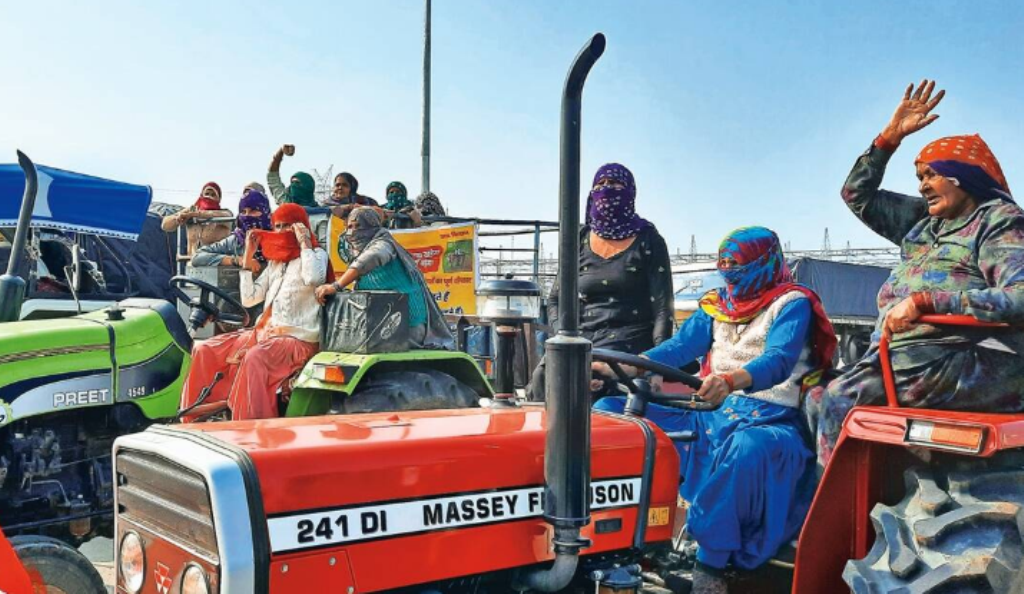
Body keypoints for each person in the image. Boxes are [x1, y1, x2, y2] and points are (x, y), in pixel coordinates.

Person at [593, 227, 837, 593]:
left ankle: (711, 565)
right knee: (611, 414)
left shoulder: (791, 303)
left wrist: (730, 380)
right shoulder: (716, 304)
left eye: (736, 264)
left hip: (768, 418)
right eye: (722, 263)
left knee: (747, 449)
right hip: (709, 412)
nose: (728, 271)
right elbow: (680, 348)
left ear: (763, 262)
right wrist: (629, 365)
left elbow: (778, 361)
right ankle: (621, 534)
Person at [806, 80, 1024, 472]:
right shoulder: (923, 225)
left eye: (931, 175)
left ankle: (839, 523)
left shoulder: (997, 222)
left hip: (962, 356)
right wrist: (888, 139)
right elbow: (858, 195)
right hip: (897, 358)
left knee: (840, 399)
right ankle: (872, 491)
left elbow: (1020, 295)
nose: (922, 185)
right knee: (814, 395)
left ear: (963, 177)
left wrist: (928, 302)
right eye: (919, 177)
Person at [528, 163, 674, 400]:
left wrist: (657, 366)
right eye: (601, 184)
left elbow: (662, 309)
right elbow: (555, 298)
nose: (607, 190)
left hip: (629, 344)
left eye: (615, 184)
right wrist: (564, 338)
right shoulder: (579, 239)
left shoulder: (648, 239)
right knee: (543, 378)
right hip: (582, 340)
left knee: (604, 391)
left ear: (630, 193)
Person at [179, 204, 329, 421]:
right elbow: (250, 299)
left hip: (297, 340)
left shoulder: (316, 254)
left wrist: (304, 241)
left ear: (301, 226)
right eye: (277, 226)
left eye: (288, 225)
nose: (281, 231)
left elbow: (314, 278)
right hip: (264, 334)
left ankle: (248, 427)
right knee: (204, 348)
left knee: (254, 357)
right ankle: (194, 418)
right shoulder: (276, 263)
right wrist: (248, 254)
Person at [314, 206, 453, 349]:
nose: (352, 231)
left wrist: (336, 286)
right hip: (383, 322)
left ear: (372, 226)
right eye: (350, 226)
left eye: (358, 226)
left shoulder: (384, 244)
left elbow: (372, 258)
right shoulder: (361, 250)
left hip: (407, 323)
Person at [191, 187, 272, 268]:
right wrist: (236, 260)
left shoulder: (278, 236)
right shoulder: (236, 241)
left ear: (265, 211)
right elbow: (197, 257)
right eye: (243, 212)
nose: (247, 216)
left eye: (253, 211)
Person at [161, 182, 233, 256]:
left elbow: (212, 214)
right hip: (192, 264)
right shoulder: (192, 209)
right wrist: (177, 218)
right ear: (201, 196)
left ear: (219, 199)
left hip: (216, 264)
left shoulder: (225, 212)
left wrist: (192, 214)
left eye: (213, 195)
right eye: (207, 194)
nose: (209, 197)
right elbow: (165, 225)